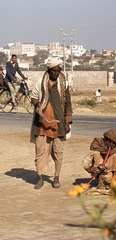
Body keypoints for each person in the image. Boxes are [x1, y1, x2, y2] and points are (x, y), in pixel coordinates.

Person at [30, 57, 73, 190]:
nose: (56, 73)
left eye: (58, 71)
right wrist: (37, 103)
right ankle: (40, 178)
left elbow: (68, 104)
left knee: (58, 152)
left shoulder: (63, 84)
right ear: (49, 70)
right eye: (54, 71)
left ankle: (56, 178)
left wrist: (67, 122)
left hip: (58, 124)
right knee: (40, 152)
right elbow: (34, 96)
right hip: (41, 124)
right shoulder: (41, 82)